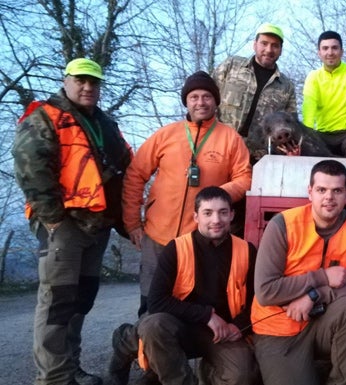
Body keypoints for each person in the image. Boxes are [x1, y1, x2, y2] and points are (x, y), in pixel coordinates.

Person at [13, 58, 133, 385]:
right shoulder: (45, 116)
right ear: (66, 80)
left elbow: (124, 167)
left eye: (94, 82)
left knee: (82, 298)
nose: (87, 87)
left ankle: (71, 368)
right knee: (57, 302)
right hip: (64, 225)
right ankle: (53, 378)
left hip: (99, 224)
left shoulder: (105, 123)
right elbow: (30, 166)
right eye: (80, 80)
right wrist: (52, 220)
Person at [123, 71, 252, 316]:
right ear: (186, 101)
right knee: (151, 305)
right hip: (157, 235)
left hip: (199, 239)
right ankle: (140, 350)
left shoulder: (230, 139)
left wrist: (216, 196)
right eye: (194, 97)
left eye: (206, 96)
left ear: (216, 101)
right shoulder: (166, 135)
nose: (200, 102)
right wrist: (132, 222)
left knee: (193, 304)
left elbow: (245, 178)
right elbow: (135, 174)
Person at [109, 186, 258, 385]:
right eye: (208, 213)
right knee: (153, 326)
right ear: (196, 217)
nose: (216, 220)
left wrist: (237, 326)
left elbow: (257, 301)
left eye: (223, 212)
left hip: (221, 332)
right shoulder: (176, 248)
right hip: (178, 326)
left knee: (242, 375)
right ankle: (126, 341)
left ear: (232, 215)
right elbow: (156, 302)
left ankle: (201, 370)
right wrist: (206, 315)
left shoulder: (247, 251)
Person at [251, 159, 346, 385]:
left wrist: (315, 294)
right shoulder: (283, 225)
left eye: (337, 190)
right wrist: (323, 277)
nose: (329, 197)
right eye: (322, 190)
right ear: (310, 192)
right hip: (278, 326)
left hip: (325, 321)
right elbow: (266, 291)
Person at [213, 23, 296, 141]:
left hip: (259, 156)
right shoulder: (231, 66)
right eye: (264, 43)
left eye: (275, 46)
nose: (269, 50)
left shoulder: (287, 87)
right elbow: (208, 97)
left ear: (281, 50)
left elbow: (290, 125)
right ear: (255, 44)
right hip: (220, 144)